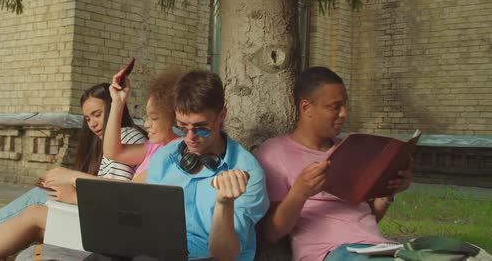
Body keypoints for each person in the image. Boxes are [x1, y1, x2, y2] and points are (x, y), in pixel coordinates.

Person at [0, 71, 184, 261]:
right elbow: (114, 152)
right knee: (39, 206)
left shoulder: (170, 152)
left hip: (123, 238)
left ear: (175, 119)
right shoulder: (155, 148)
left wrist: (73, 184)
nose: (145, 123)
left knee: (38, 209)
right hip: (118, 229)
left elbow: (128, 196)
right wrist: (119, 100)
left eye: (153, 118)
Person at [0, 83, 146, 241]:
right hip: (97, 215)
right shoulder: (108, 142)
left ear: (114, 108)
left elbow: (114, 193)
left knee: (43, 197)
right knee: (45, 194)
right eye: (88, 118)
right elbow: (103, 184)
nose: (92, 124)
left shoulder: (126, 136)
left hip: (107, 224)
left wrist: (71, 183)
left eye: (97, 114)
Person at [255, 66, 412, 261]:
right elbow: (272, 233)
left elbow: (359, 220)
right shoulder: (275, 152)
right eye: (335, 106)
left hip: (376, 247)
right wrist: (300, 192)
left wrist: (387, 192)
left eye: (344, 105)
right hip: (329, 252)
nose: (344, 113)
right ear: (306, 108)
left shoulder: (350, 150)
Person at [145, 70, 269, 260]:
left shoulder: (247, 171)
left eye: (201, 128)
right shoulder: (164, 159)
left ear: (222, 115)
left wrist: (224, 204)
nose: (190, 138)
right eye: (181, 127)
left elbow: (224, 255)